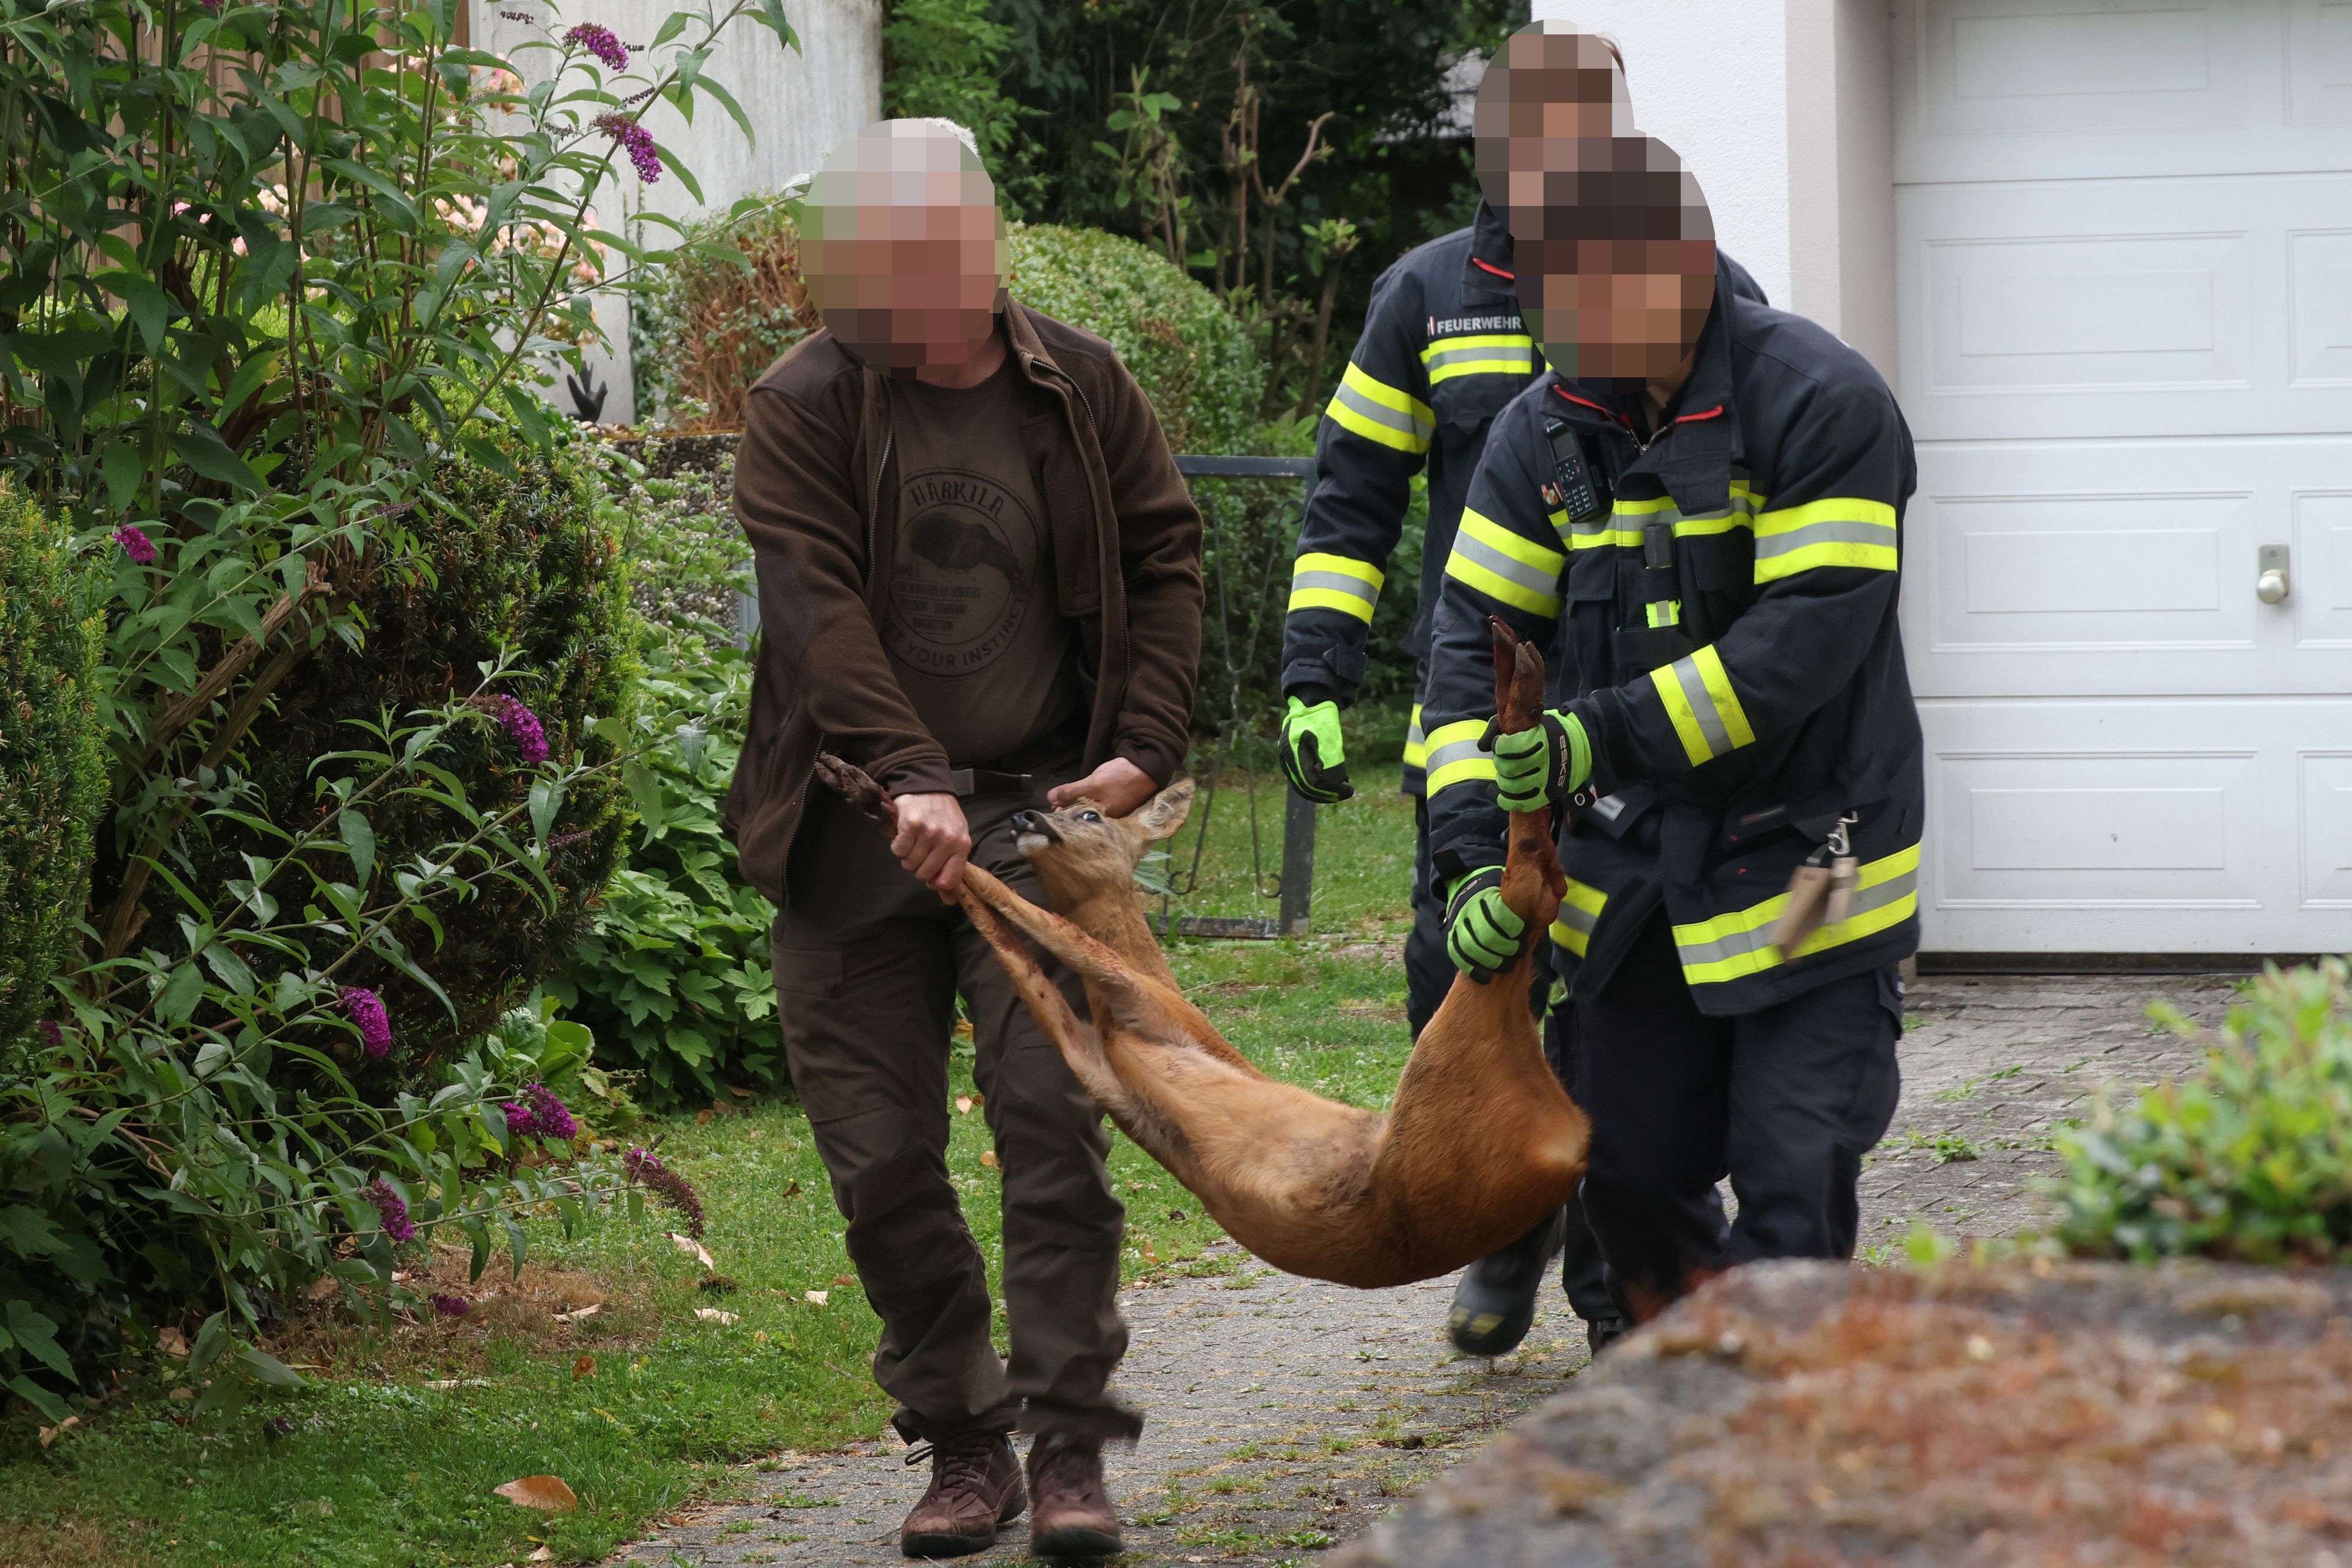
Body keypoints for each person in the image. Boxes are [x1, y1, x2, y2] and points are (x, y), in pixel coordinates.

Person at [723, 119, 1204, 1559]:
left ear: (979, 243)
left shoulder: (1081, 384)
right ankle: (959, 1441)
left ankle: (1067, 1449)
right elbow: (812, 605)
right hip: (849, 823)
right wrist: (906, 769)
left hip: (1034, 822)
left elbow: (1168, 547)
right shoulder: (802, 400)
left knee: (1054, 1129)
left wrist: (1145, 739)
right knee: (878, 1157)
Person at [1273, 21, 1759, 1361]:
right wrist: (1314, 672)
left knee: (1625, 1003)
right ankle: (1505, 1224)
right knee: (1461, 966)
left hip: (1641, 721)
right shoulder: (1425, 296)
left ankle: (1615, 1280)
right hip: (1477, 704)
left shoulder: (1694, 279)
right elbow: (1351, 493)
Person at [1421, 113, 1917, 1331]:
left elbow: (1791, 652)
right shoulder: (1537, 434)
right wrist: (1471, 856)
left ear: (1678, 273)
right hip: (1629, 886)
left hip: (1809, 863)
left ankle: (1761, 1459)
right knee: (1628, 1182)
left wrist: (1595, 734)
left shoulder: (1820, 404)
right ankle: (1662, 1430)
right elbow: (1466, 660)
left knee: (1790, 1181)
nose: (1553, 324)